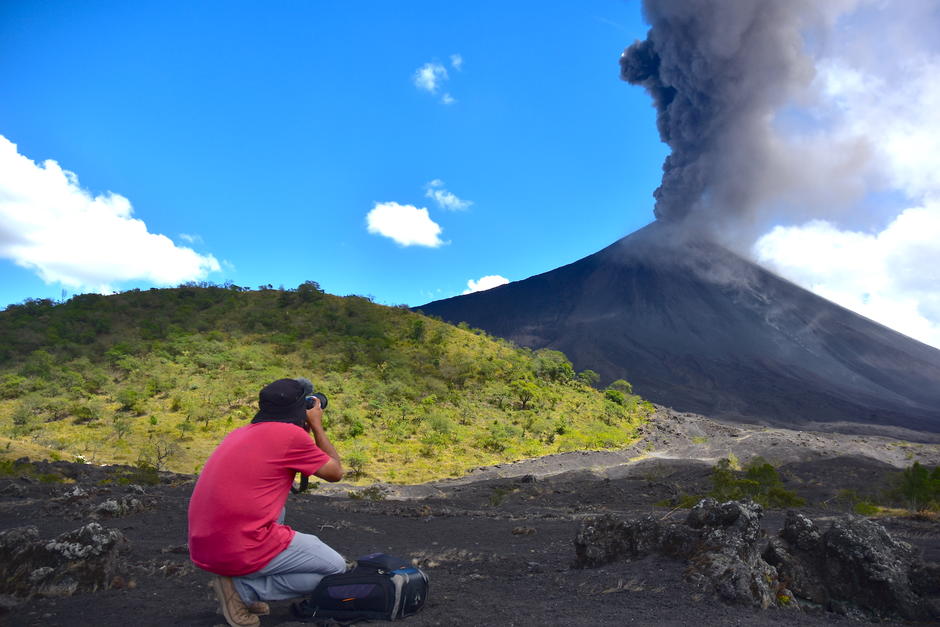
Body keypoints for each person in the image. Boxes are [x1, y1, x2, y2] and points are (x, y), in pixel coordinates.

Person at [188, 377, 346, 627]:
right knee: (335, 569)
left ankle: (236, 580)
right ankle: (243, 592)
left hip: (205, 543)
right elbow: (335, 472)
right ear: (299, 409)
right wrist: (317, 426)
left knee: (277, 509)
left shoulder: (241, 432)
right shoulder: (292, 436)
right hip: (236, 546)